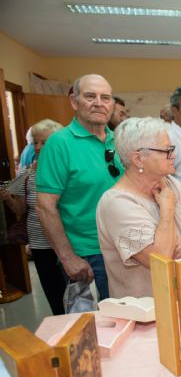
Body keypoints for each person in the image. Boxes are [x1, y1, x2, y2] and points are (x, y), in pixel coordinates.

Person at [96, 117, 181, 298]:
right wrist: (167, 210)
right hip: (148, 311)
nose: (174, 155)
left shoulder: (169, 183)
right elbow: (160, 259)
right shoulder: (116, 203)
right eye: (167, 150)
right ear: (139, 159)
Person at [37, 74, 124, 301]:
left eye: (105, 97)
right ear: (74, 102)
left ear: (112, 105)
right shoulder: (59, 144)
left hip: (128, 248)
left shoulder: (121, 140)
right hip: (89, 254)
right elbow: (45, 206)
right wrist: (67, 257)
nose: (99, 102)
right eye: (90, 96)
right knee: (101, 326)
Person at [1, 119, 66, 314]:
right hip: (40, 244)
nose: (38, 147)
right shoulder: (27, 173)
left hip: (66, 240)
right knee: (53, 294)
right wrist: (9, 199)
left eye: (44, 142)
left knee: (75, 292)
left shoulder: (67, 170)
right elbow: (20, 208)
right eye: (35, 142)